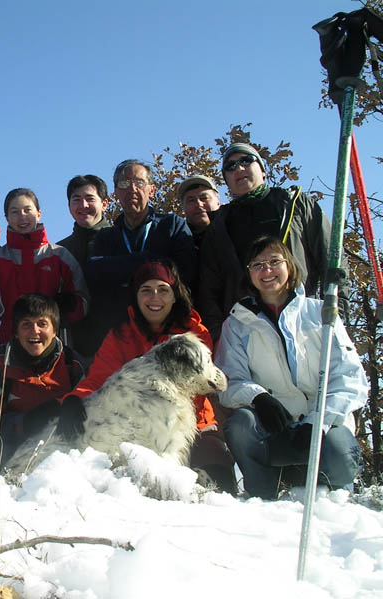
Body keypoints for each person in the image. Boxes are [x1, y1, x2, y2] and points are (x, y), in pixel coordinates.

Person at [59, 260, 237, 494]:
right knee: (151, 487)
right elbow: (98, 378)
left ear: (175, 296)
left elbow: (210, 382)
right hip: (142, 431)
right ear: (136, 296)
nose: (154, 298)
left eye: (163, 290)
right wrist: (72, 400)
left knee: (221, 486)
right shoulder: (120, 336)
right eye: (146, 290)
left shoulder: (194, 334)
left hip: (198, 425)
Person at [214, 236, 366, 499]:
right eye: (257, 265)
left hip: (323, 426)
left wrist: (318, 421)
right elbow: (229, 380)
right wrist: (258, 397)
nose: (267, 270)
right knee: (240, 425)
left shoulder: (321, 313)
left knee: (341, 454)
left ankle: (335, 496)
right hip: (275, 427)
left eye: (274, 262)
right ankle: (264, 495)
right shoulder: (237, 324)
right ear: (248, 273)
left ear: (290, 266)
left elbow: (349, 378)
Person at [198, 142, 343, 341]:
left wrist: (337, 313)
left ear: (263, 170)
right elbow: (210, 288)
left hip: (301, 323)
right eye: (230, 167)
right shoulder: (219, 227)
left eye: (246, 161)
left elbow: (332, 259)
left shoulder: (295, 204)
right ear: (226, 180)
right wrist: (218, 337)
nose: (239, 168)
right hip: (245, 330)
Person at [0, 187, 89, 360]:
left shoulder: (59, 256)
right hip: (7, 354)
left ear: (39, 213)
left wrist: (71, 304)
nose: (22, 217)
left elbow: (83, 304)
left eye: (28, 210)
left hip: (54, 354)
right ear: (7, 218)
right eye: (15, 212)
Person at [0, 293, 86, 469]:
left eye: (42, 324)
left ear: (55, 330)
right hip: (13, 446)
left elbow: (91, 413)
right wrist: (25, 424)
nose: (35, 331)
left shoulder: (73, 364)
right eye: (26, 324)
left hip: (62, 446)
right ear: (16, 332)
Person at [86, 160, 196, 330]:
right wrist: (152, 260)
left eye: (139, 182)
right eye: (124, 183)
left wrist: (119, 268)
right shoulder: (106, 236)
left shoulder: (172, 225)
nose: (132, 189)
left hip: (169, 328)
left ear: (152, 190)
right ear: (116, 192)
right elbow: (94, 273)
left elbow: (185, 272)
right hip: (121, 332)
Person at [57, 175, 112, 358]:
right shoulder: (59, 251)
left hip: (118, 343)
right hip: (73, 347)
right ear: (69, 207)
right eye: (76, 200)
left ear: (105, 203)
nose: (83, 205)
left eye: (90, 199)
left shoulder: (122, 241)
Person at [177, 175, 221, 250]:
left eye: (204, 198)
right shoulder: (174, 242)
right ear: (183, 207)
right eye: (191, 200)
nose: (199, 204)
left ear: (218, 202)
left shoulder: (236, 230)